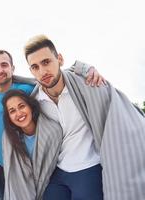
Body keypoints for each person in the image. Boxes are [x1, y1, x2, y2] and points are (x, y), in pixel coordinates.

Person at [24, 34, 145, 200]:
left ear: (59, 59)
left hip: (89, 167)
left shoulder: (87, 84)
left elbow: (116, 108)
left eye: (46, 62)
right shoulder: (35, 100)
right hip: (57, 171)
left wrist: (86, 68)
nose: (42, 71)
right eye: (35, 67)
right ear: (31, 71)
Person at [0, 50, 105, 197]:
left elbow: (55, 78)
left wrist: (85, 68)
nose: (0, 70)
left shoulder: (28, 90)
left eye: (4, 65)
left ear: (13, 68)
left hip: (30, 164)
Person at [2, 89, 63, 200]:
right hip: (20, 192)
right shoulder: (8, 138)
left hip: (51, 188)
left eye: (21, 106)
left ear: (30, 106)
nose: (19, 113)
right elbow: (12, 176)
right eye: (12, 111)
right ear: (9, 117)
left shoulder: (52, 131)